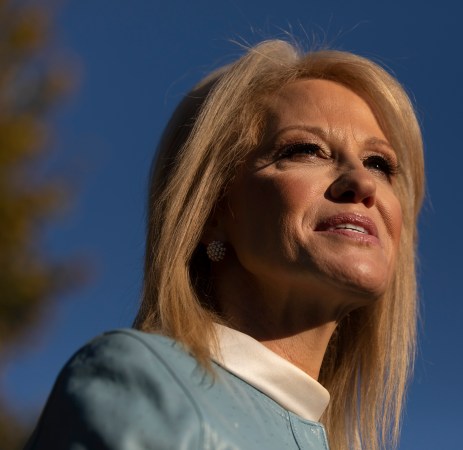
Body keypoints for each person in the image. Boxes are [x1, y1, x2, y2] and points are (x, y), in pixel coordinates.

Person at [24, 39, 424, 450]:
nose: (362, 182)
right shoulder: (147, 385)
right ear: (212, 210)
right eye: (307, 150)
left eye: (379, 164)